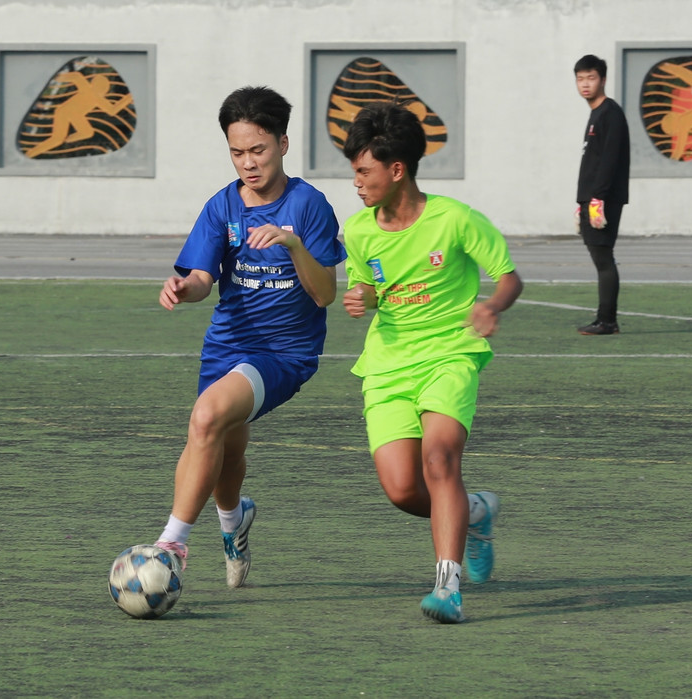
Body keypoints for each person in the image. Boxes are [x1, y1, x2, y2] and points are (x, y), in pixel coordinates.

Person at [154, 86, 346, 590]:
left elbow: (325, 294)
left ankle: (170, 546)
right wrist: (185, 288)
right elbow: (202, 277)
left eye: (258, 150)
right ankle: (234, 521)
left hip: (283, 352)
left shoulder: (309, 206)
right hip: (227, 344)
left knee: (206, 417)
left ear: (283, 143)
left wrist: (293, 244)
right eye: (237, 152)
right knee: (224, 449)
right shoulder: (222, 206)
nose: (248, 163)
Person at [340, 102, 523, 623]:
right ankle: (476, 511)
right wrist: (362, 297)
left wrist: (492, 305)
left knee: (440, 460)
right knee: (402, 490)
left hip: (450, 354)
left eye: (364, 171)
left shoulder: (455, 219)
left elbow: (509, 277)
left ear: (397, 169)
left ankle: (448, 588)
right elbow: (368, 284)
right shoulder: (359, 230)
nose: (356, 182)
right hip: (387, 364)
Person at [574, 54, 630, 335]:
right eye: (580, 79)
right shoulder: (596, 113)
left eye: (591, 78)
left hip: (603, 199)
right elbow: (591, 162)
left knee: (603, 257)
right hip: (592, 197)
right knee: (600, 256)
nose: (585, 84)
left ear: (603, 80)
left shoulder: (610, 113)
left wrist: (598, 199)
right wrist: (581, 201)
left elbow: (609, 160)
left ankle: (607, 320)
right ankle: (605, 319)